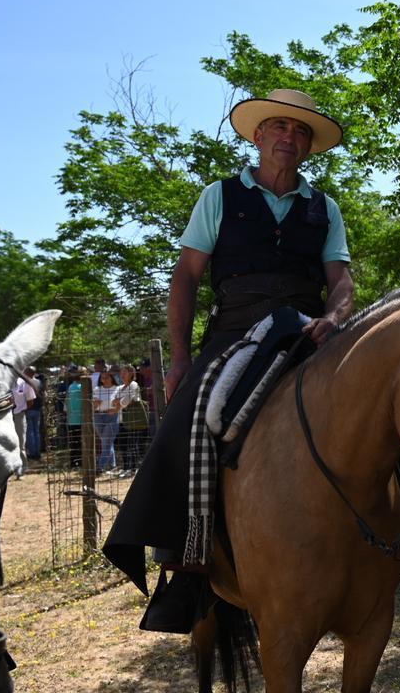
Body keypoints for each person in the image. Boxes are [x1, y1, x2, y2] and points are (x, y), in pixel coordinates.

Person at [103, 88, 355, 634]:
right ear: (259, 136)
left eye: (300, 131)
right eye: (279, 127)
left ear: (309, 146)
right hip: (237, 326)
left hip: (307, 328)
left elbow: (341, 281)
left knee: (371, 398)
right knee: (190, 410)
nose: (289, 137)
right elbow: (187, 277)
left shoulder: (324, 207)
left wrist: (334, 318)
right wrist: (180, 359)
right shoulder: (218, 197)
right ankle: (184, 553)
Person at [93, 366, 121, 473]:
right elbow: (93, 406)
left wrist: (115, 408)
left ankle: (99, 466)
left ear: (112, 378)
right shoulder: (97, 389)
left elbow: (120, 404)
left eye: (107, 378)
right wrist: (95, 404)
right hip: (98, 416)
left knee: (106, 442)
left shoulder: (118, 389)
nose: (104, 380)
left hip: (112, 417)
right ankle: (112, 465)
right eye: (102, 378)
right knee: (107, 442)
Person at [9, 373, 36, 478]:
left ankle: (21, 470)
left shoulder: (24, 383)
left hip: (19, 415)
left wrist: (21, 409)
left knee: (20, 444)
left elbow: (30, 401)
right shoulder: (6, 382)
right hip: (6, 415)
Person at [64, 366, 86, 468]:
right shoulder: (82, 388)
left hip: (71, 418)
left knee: (73, 441)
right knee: (81, 441)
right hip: (81, 419)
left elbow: (67, 403)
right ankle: (80, 461)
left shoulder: (71, 387)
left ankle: (73, 462)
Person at [23, 367, 44, 462]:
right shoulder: (39, 382)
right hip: (38, 408)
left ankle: (32, 453)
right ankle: (37, 452)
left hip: (29, 408)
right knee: (36, 431)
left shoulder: (26, 382)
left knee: (30, 431)